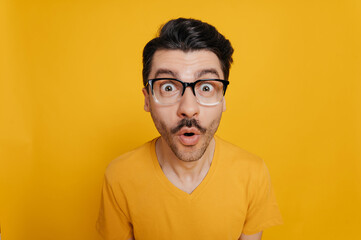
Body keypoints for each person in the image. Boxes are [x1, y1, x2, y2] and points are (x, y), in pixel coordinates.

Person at [96, 18, 282, 240]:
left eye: (206, 87)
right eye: (168, 87)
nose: (188, 108)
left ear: (223, 98)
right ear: (147, 100)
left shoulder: (253, 173)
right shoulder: (120, 177)